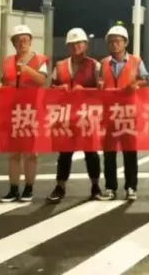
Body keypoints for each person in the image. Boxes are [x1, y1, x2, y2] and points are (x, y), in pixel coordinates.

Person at [47, 28, 104, 202]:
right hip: (65, 116)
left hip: (87, 115)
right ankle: (60, 187)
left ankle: (95, 186)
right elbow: (51, 89)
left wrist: (85, 90)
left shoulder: (95, 65)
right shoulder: (60, 66)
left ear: (86, 45)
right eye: (72, 44)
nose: (75, 46)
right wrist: (60, 89)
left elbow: (101, 91)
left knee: (91, 152)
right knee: (64, 153)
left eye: (79, 43)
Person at [98, 24, 149, 201]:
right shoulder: (104, 63)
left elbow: (145, 79)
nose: (115, 44)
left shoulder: (136, 61)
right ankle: (110, 187)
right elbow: (100, 82)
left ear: (125, 43)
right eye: (111, 42)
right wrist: (100, 85)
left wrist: (136, 84)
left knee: (130, 151)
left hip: (129, 112)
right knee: (109, 152)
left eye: (118, 41)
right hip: (109, 113)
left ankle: (131, 186)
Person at [0, 24, 49, 203]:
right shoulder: (7, 61)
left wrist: (26, 69)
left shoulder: (40, 60)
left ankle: (28, 188)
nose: (22, 43)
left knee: (31, 152)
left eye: (25, 40)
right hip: (12, 112)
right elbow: (4, 83)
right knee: (13, 153)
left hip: (32, 111)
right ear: (14, 43)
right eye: (18, 41)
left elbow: (42, 80)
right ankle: (13, 189)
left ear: (30, 41)